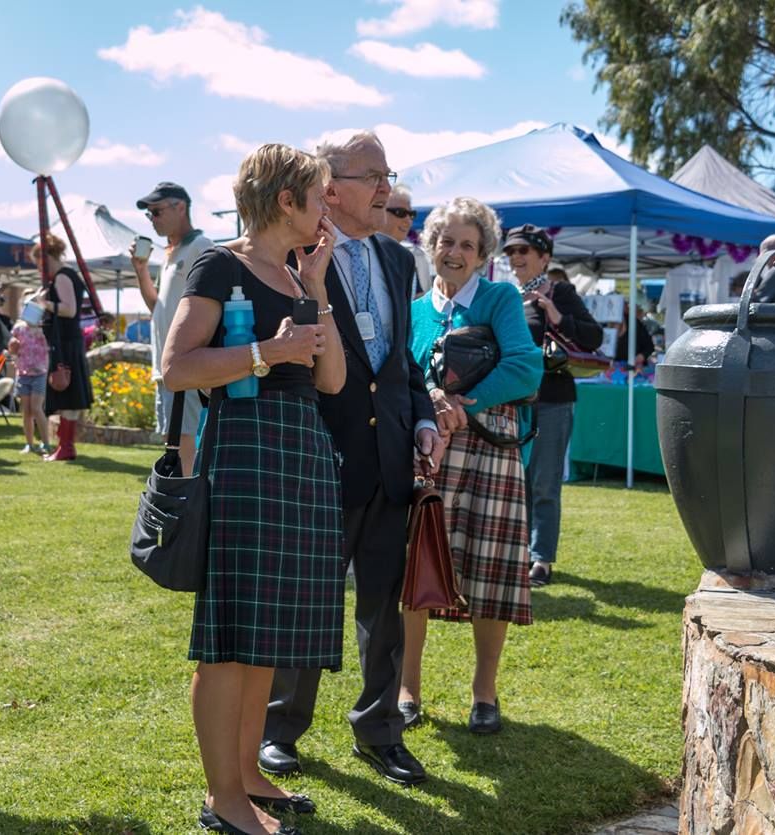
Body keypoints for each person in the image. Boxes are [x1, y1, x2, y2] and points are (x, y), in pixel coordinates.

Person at [162, 143, 345, 835]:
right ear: (286, 200)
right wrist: (268, 351)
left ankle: (244, 773)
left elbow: (331, 382)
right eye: (319, 194)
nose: (327, 206)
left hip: (298, 452)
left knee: (265, 631)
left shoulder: (300, 278)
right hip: (243, 453)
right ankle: (222, 798)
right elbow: (177, 368)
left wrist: (319, 289)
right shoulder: (219, 264)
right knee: (231, 634)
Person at [260, 132, 443, 787]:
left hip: (392, 459)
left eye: (388, 173)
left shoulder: (400, 260)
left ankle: (379, 730)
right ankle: (279, 729)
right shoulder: (291, 257)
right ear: (329, 186)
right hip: (322, 461)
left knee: (385, 609)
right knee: (309, 601)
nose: (387, 186)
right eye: (374, 175)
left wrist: (422, 418)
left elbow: (400, 364)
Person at [400, 198, 544, 734]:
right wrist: (433, 404)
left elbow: (526, 370)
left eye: (467, 244)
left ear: (483, 254)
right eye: (445, 241)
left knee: (491, 570)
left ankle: (485, 691)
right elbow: (402, 378)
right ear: (430, 246)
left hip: (489, 448)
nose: (454, 252)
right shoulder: (414, 310)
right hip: (426, 451)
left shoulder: (500, 297)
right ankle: (407, 687)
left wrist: (465, 404)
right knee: (415, 568)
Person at [504, 224, 603, 588]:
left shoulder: (559, 291)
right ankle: (518, 551)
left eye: (524, 251)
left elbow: (594, 337)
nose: (516, 258)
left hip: (553, 401)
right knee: (516, 482)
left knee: (544, 483)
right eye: (511, 251)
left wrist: (556, 315)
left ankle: (541, 559)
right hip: (514, 402)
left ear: (544, 258)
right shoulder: (506, 295)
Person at [131, 181, 213, 475]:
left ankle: (186, 506)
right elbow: (159, 309)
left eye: (156, 211)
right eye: (149, 214)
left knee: (183, 441)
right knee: (174, 440)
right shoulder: (173, 252)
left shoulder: (201, 247)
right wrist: (141, 271)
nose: (153, 219)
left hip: (185, 362)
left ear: (181, 207)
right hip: (169, 366)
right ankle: (182, 502)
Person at [32, 234, 93, 461]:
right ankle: (66, 446)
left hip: (66, 342)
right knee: (69, 394)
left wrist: (43, 303)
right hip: (68, 340)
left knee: (67, 393)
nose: (39, 266)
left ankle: (65, 447)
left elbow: (69, 309)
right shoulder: (66, 275)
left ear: (46, 256)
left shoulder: (62, 276)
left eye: (39, 260)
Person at [8, 293, 51, 454]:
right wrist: (13, 347)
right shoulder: (18, 329)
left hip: (39, 372)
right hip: (23, 372)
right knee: (26, 410)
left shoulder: (44, 329)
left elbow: (48, 349)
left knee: (36, 408)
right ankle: (29, 444)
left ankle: (46, 443)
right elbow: (12, 350)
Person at [384, 185, 432, 298]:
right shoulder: (359, 253)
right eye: (400, 213)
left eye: (411, 214)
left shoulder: (405, 258)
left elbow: (417, 300)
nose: (408, 221)